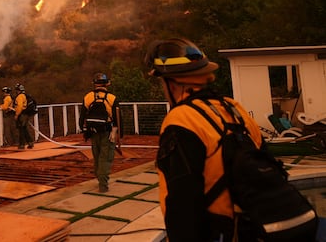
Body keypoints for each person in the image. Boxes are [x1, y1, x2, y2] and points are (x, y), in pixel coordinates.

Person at [145, 37, 264, 242]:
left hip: (217, 232)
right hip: (251, 227)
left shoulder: (181, 120)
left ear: (171, 82)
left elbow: (182, 206)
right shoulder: (234, 109)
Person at [79, 72, 121, 193]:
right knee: (106, 157)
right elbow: (118, 118)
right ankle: (103, 185)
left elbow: (82, 118)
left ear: (94, 84)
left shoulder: (88, 97)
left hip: (93, 132)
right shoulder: (112, 98)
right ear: (107, 84)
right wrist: (118, 134)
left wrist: (84, 131)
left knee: (97, 156)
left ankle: (99, 178)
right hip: (108, 132)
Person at [14, 84, 34, 150]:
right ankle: (30, 142)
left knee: (21, 129)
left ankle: (22, 145)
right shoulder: (24, 96)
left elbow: (19, 106)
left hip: (22, 114)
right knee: (24, 129)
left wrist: (17, 115)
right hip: (26, 114)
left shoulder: (19, 97)